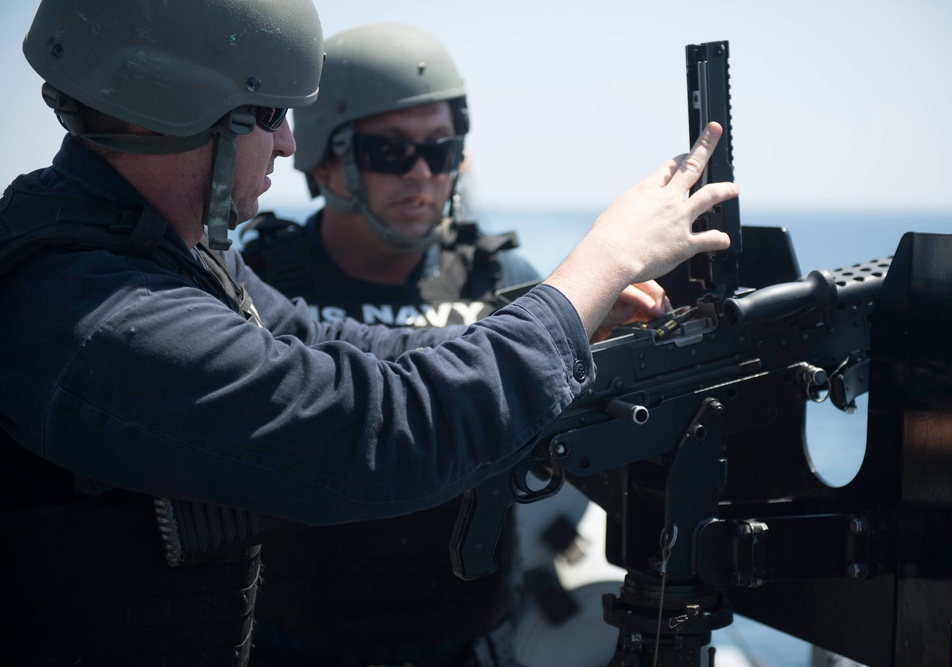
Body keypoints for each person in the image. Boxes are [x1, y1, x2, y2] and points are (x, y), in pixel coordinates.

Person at [0, 0, 735, 664]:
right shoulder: (95, 313)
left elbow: (338, 346)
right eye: (266, 115)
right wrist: (600, 262)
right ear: (181, 111)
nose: (289, 144)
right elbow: (364, 430)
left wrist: (568, 310)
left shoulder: (167, 253)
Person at [239, 24, 546, 667]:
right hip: (293, 648)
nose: (421, 174)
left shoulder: (502, 282)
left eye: (440, 151)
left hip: (468, 647)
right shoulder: (262, 284)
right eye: (388, 151)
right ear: (324, 158)